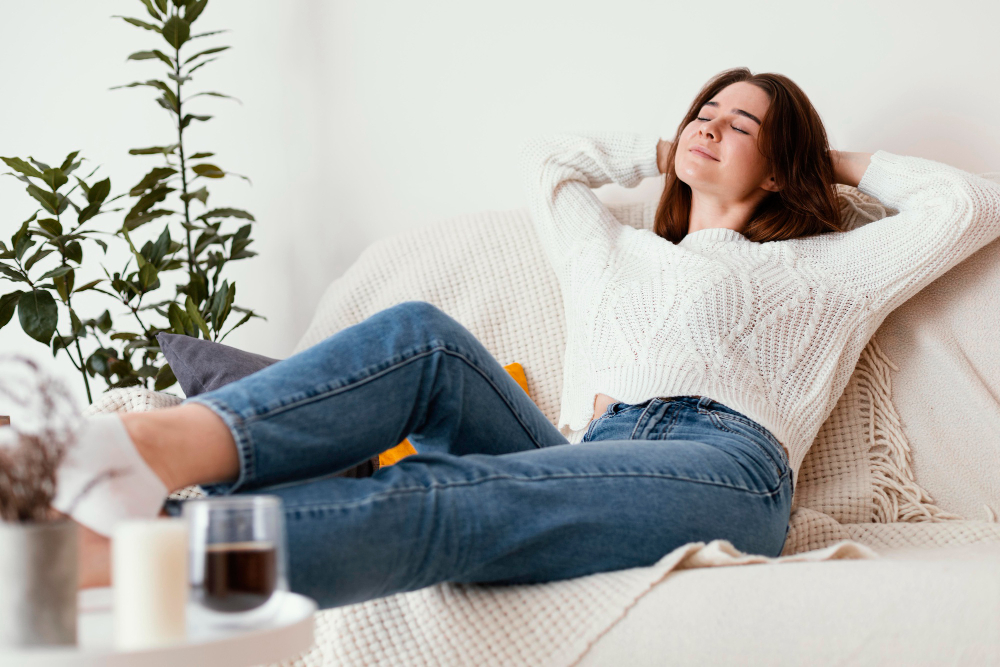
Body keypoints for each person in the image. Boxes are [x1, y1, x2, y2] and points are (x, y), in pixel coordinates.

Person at [53, 67, 1000, 610]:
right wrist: (662, 150)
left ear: (781, 162)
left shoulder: (825, 269)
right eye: (702, 112)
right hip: (585, 451)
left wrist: (817, 159)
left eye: (741, 123)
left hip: (723, 468)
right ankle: (140, 449)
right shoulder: (615, 252)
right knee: (423, 337)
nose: (710, 126)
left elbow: (969, 205)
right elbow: (550, 166)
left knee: (445, 494)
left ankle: (130, 557)